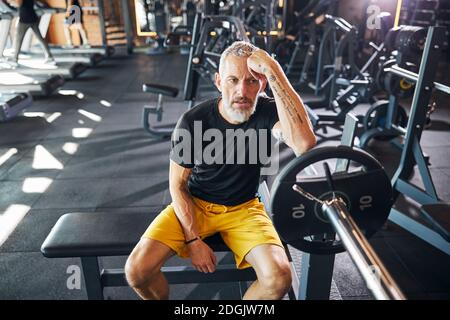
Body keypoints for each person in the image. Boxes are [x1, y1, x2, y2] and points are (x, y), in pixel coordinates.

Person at [125, 41, 317, 300]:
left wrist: (273, 68)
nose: (242, 90)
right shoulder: (194, 121)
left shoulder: (268, 111)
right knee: (137, 271)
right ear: (218, 82)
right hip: (196, 204)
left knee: (279, 277)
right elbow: (177, 185)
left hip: (245, 209)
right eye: (233, 80)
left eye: (252, 81)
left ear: (262, 84)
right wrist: (193, 241)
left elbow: (304, 144)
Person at [8, 0, 55, 66]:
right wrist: (46, 5)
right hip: (33, 18)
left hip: (24, 19)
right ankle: (50, 57)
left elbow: (18, 4)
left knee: (19, 40)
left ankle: (15, 59)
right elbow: (39, 2)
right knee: (40, 39)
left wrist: (10, 1)